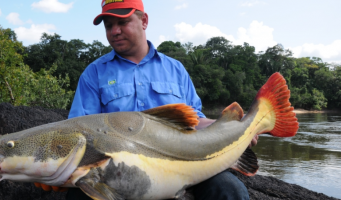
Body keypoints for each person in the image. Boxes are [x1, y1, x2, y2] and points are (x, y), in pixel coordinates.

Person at [66, 0, 257, 199]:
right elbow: (79, 133)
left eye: (122, 22)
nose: (114, 31)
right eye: (109, 25)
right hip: (117, 177)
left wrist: (234, 129)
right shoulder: (93, 73)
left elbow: (196, 122)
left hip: (181, 165)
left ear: (144, 21)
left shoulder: (176, 70)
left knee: (228, 188)